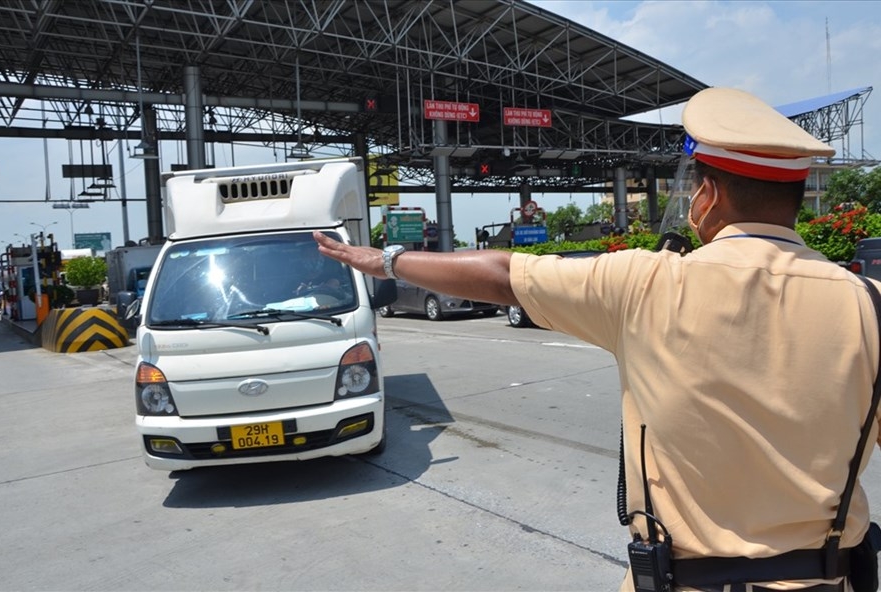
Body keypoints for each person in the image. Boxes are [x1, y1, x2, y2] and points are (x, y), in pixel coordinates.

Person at [314, 87, 880, 592]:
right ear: (797, 196)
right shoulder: (870, 304)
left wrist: (386, 259)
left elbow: (501, 274)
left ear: (708, 195)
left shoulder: (646, 283)